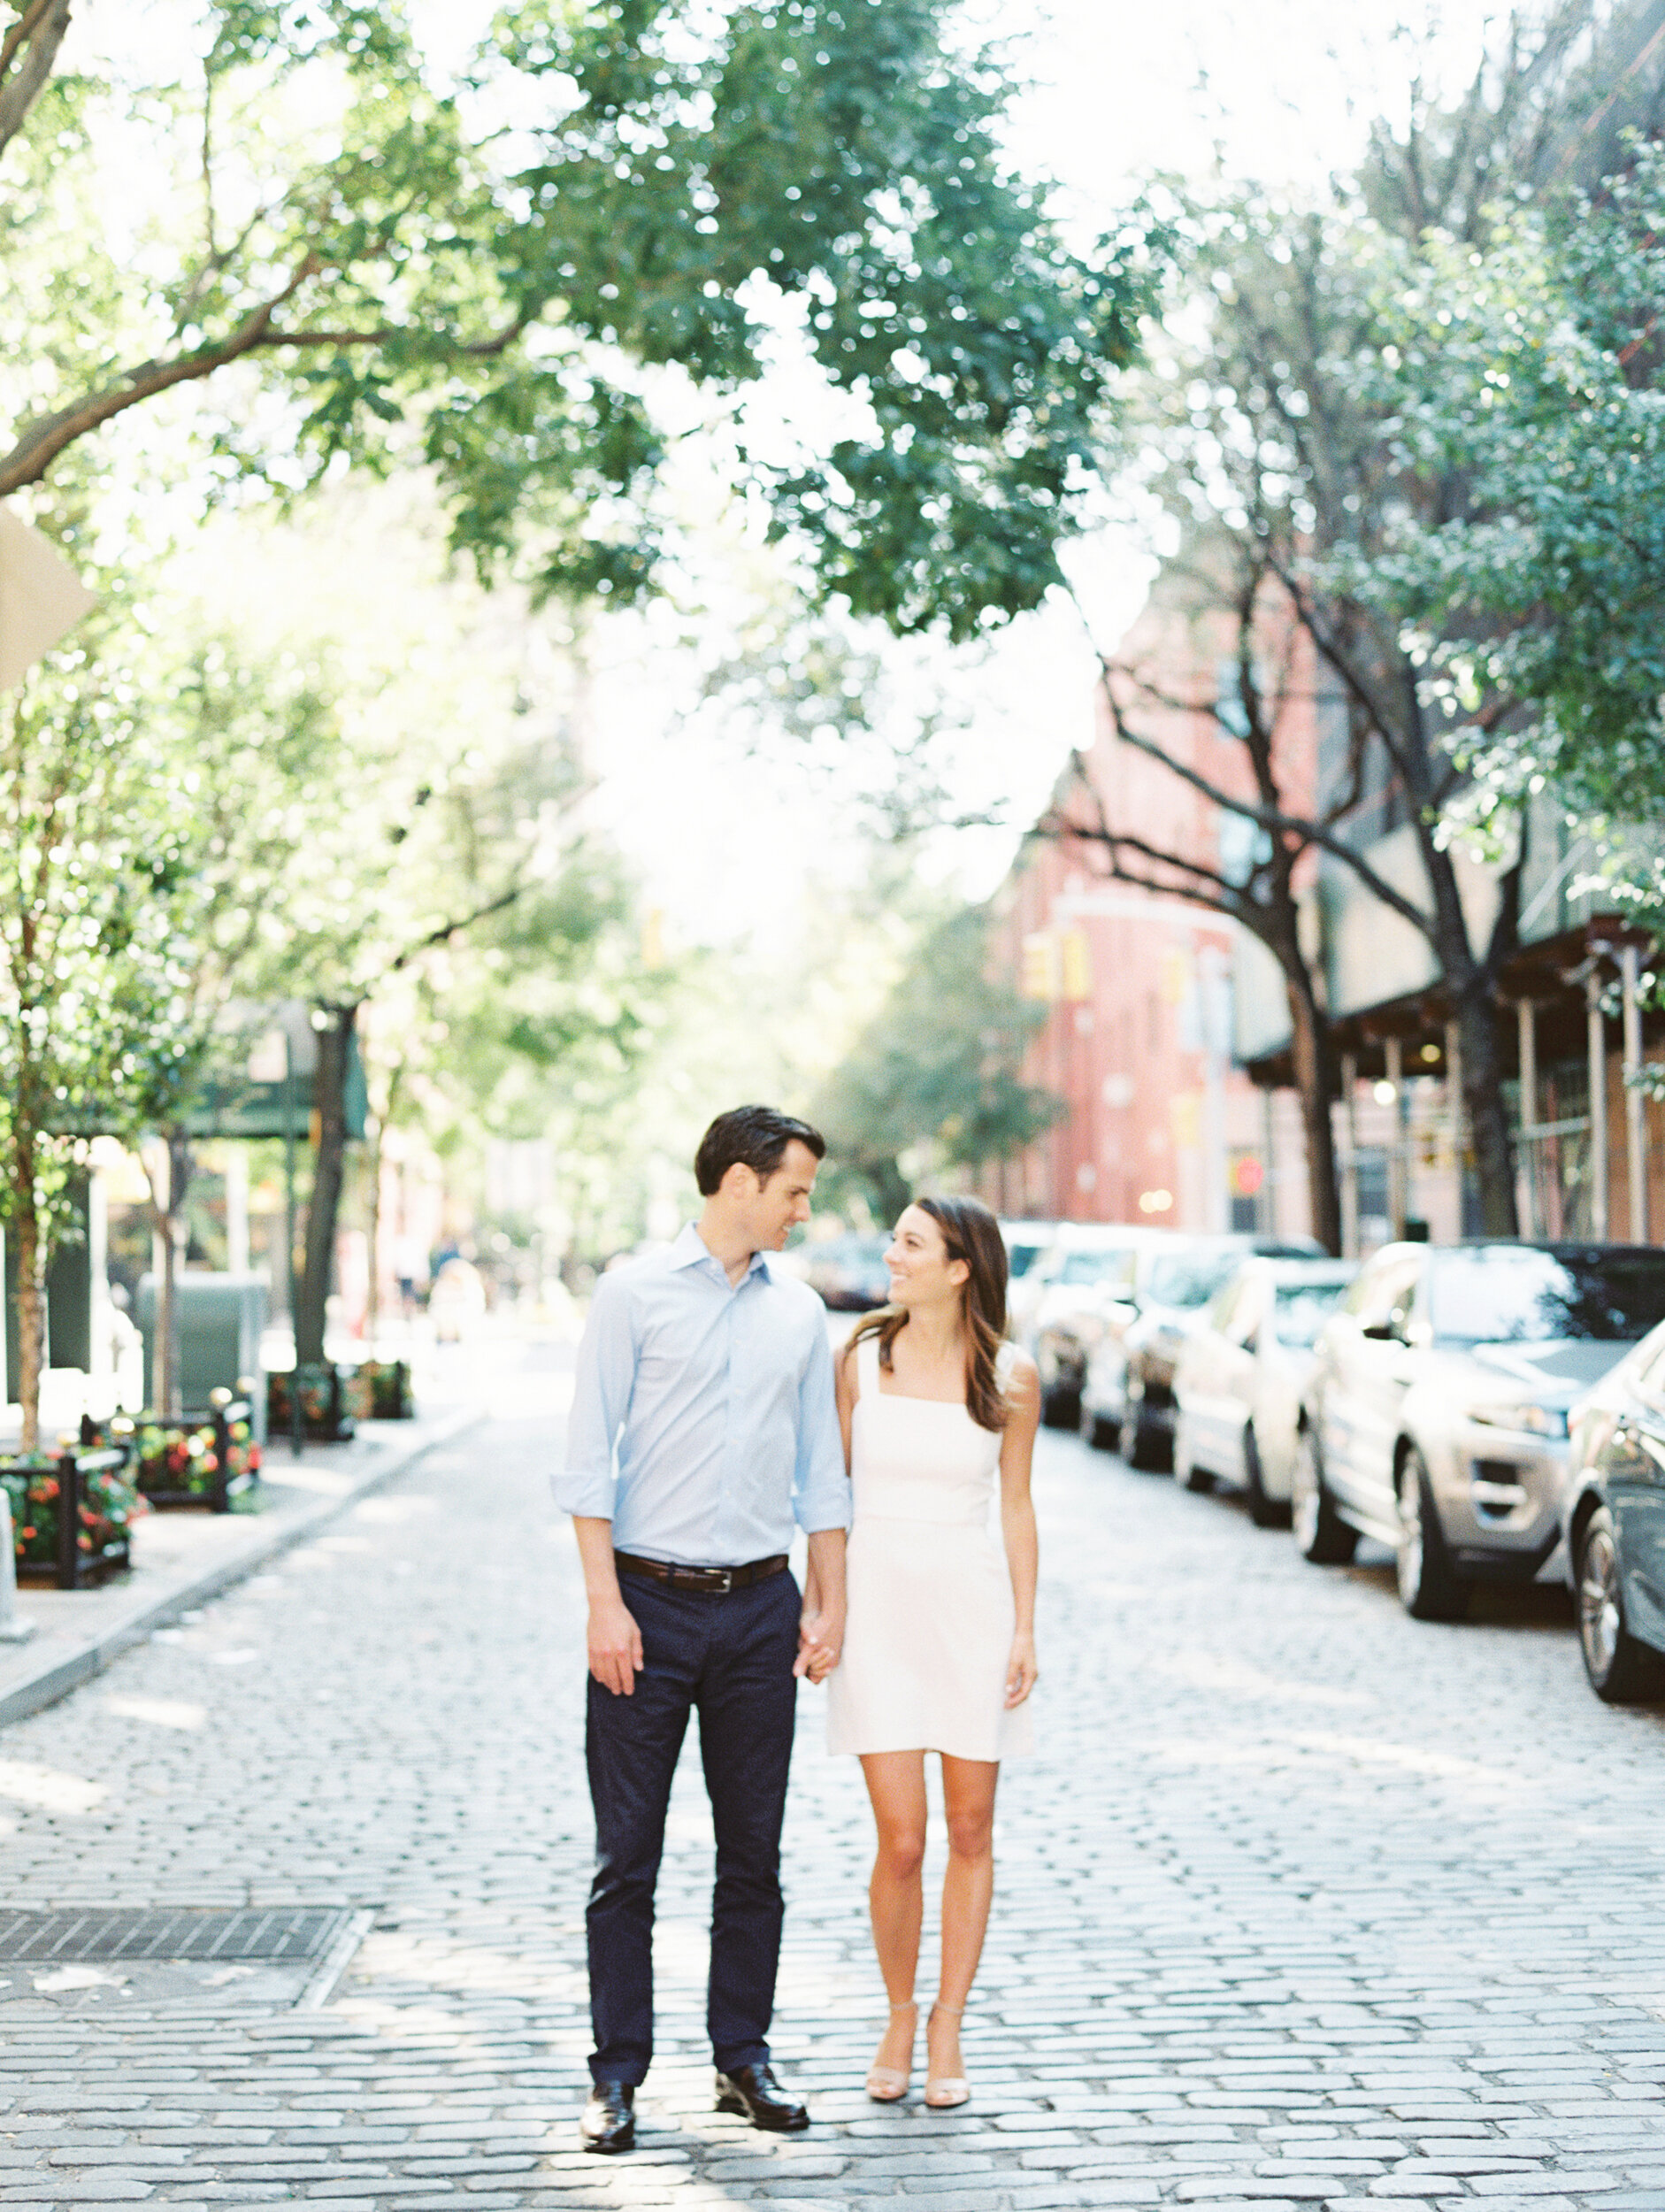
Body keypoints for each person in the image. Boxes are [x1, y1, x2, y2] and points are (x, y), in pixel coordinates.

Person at [554, 1105, 850, 2156]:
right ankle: (615, 2074)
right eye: (793, 1189)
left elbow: (823, 1470)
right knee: (625, 1858)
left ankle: (741, 2056)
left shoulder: (801, 1314)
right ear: (737, 1181)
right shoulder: (632, 1294)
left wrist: (827, 1600)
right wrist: (603, 1602)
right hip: (647, 1605)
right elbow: (588, 1458)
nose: (801, 1209)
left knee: (752, 1856)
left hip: (761, 1608)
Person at [817, 1194, 1040, 2110]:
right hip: (876, 1613)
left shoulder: (1012, 1374)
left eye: (909, 1242)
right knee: (903, 1839)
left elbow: (1018, 1506)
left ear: (958, 1266)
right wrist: (820, 1607)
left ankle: (948, 2018)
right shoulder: (859, 1359)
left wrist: (1025, 1625)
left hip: (971, 1612)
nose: (890, 1253)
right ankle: (898, 2010)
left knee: (973, 1829)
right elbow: (827, 1497)